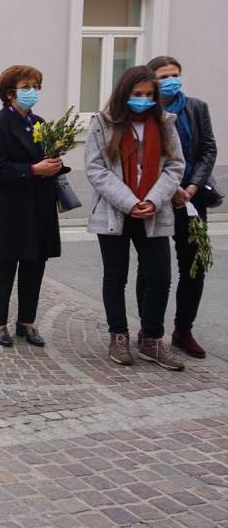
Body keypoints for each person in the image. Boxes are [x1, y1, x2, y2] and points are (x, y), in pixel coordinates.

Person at [86, 66, 185, 369]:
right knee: (115, 276)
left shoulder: (166, 123)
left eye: (148, 95)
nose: (142, 100)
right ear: (124, 94)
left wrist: (153, 200)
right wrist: (129, 202)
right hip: (116, 211)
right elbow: (95, 168)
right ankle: (118, 335)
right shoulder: (103, 124)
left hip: (154, 211)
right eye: (136, 95)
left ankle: (151, 338)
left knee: (159, 277)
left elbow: (175, 166)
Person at [0, 64, 64, 348]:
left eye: (36, 87)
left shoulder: (39, 122)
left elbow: (43, 160)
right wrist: (32, 169)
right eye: (26, 88)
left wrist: (55, 164)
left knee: (34, 265)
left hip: (38, 207)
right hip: (9, 208)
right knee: (4, 265)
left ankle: (26, 322)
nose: (33, 93)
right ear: (9, 93)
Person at [149, 55, 217, 359]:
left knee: (194, 266)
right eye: (164, 76)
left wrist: (192, 186)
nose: (171, 80)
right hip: (159, 197)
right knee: (154, 270)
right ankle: (149, 330)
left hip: (192, 199)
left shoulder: (196, 107)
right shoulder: (147, 109)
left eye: (175, 74)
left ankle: (183, 329)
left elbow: (208, 149)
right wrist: (170, 187)